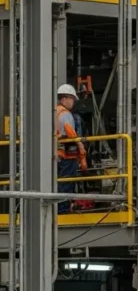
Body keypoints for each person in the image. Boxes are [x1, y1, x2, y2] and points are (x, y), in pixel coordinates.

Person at [56, 84, 87, 214]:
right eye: (73, 99)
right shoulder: (66, 114)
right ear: (66, 98)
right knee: (66, 183)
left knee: (58, 183)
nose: (73, 103)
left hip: (56, 154)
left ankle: (57, 208)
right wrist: (82, 152)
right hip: (67, 156)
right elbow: (71, 132)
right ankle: (62, 210)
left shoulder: (54, 112)